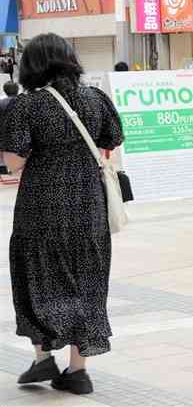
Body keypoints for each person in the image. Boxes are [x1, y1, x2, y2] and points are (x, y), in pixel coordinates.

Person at [0, 33, 123, 394]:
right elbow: (111, 141)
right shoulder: (95, 98)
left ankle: (42, 360)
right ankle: (78, 371)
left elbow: (14, 163)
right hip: (89, 209)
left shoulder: (27, 106)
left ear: (32, 65)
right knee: (86, 282)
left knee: (38, 278)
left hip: (42, 210)